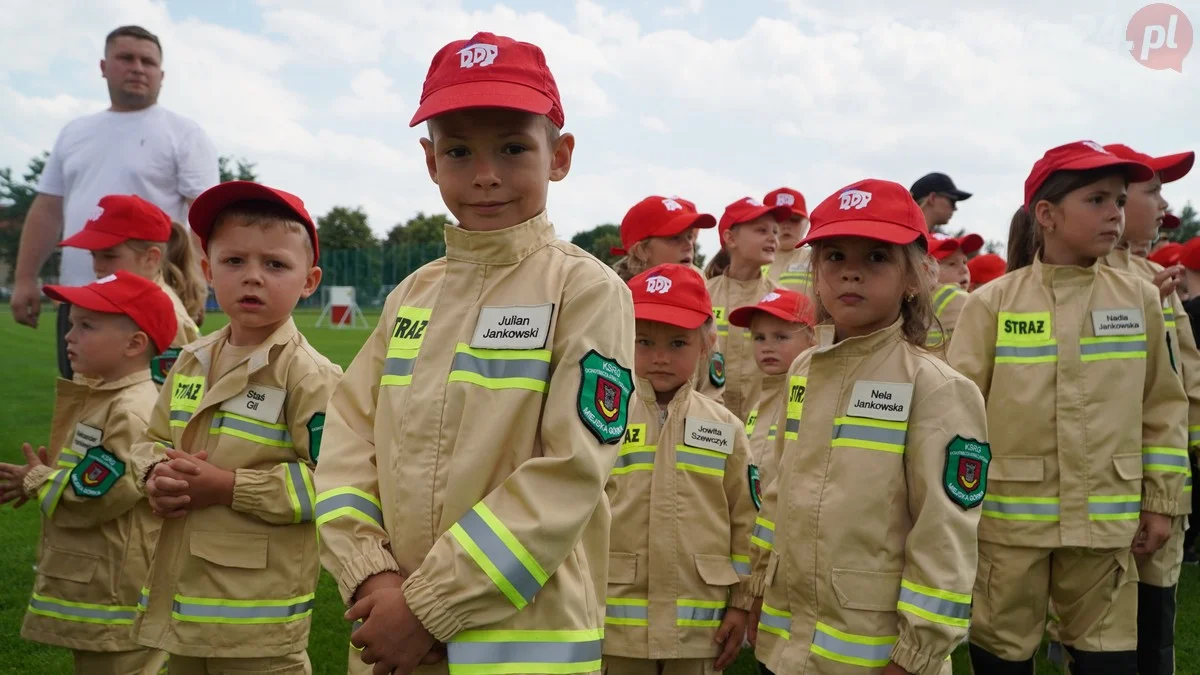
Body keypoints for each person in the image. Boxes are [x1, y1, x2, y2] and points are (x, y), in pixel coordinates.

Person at [312, 32, 635, 675]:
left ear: (560, 155)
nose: (485, 174)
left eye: (513, 147)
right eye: (459, 151)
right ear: (431, 162)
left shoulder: (586, 289)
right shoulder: (412, 296)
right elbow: (346, 439)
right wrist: (371, 576)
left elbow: (569, 473)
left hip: (524, 651)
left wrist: (426, 608)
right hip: (392, 640)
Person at [949, 141, 1188, 674]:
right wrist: (957, 509)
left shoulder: (1141, 300)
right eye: (1097, 199)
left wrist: (1161, 502)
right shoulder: (991, 304)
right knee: (1002, 653)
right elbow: (960, 416)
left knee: (1107, 658)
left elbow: (1163, 407)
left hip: (1108, 524)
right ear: (1047, 215)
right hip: (1010, 526)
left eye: (1120, 200)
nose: (1115, 214)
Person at [748, 178, 988, 675]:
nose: (851, 273)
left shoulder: (938, 388)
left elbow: (945, 538)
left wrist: (916, 655)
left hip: (879, 656)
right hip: (789, 646)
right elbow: (778, 487)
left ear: (916, 276)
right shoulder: (803, 371)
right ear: (815, 274)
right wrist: (756, 590)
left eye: (877, 257)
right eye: (834, 256)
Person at [129, 181, 340, 674]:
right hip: (183, 604)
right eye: (234, 262)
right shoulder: (191, 360)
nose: (253, 278)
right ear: (206, 271)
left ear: (308, 281)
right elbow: (151, 442)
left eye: (275, 264)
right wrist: (154, 475)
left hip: (257, 621)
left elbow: (333, 484)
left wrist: (229, 488)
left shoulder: (310, 376)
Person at [11, 25, 217, 380]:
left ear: (161, 75)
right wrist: (25, 278)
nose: (138, 67)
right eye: (126, 58)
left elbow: (203, 217)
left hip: (152, 300)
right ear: (104, 66)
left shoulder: (184, 133)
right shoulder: (74, 132)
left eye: (148, 61)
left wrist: (198, 287)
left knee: (155, 420)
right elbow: (47, 209)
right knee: (85, 418)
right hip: (80, 296)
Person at [0, 271, 176, 675]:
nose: (69, 336)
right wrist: (50, 476)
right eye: (72, 323)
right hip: (102, 578)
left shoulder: (130, 410)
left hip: (115, 589)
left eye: (86, 326)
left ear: (134, 344)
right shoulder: (106, 395)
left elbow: (99, 494)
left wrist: (37, 479)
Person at [603, 263, 755, 675]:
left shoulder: (726, 427)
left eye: (677, 343)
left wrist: (742, 603)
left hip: (700, 629)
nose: (660, 358)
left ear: (706, 344)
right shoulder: (600, 415)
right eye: (645, 342)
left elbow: (747, 521)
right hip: (614, 627)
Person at [1099, 142, 1197, 675]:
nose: (1164, 205)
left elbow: (1179, 387)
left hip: (1160, 483)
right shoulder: (1118, 288)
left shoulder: (1149, 280)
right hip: (1125, 489)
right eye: (1154, 190)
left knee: (1155, 623)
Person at [57, 194, 204, 362]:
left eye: (109, 256)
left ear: (150, 258)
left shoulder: (167, 318)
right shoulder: (123, 303)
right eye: (93, 255)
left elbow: (169, 386)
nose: (97, 266)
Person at [611, 196, 724, 402]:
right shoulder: (611, 297)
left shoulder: (698, 291)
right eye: (675, 238)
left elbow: (712, 389)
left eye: (690, 237)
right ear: (642, 250)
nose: (688, 245)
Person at [704, 197, 789, 421]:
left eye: (776, 232)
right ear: (730, 238)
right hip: (707, 425)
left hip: (762, 425)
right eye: (761, 230)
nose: (773, 238)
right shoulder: (703, 295)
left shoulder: (782, 300)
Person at [727, 288, 815, 497]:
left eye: (780, 337)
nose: (767, 347)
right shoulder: (762, 398)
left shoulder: (814, 396)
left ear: (813, 339)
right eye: (759, 338)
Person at [925, 234, 980, 351]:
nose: (964, 269)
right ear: (928, 269)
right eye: (951, 264)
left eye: (965, 262)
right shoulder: (953, 296)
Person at [761, 188, 812, 292]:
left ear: (806, 223)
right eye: (779, 220)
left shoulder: (817, 261)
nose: (786, 226)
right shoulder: (749, 262)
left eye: (794, 220)